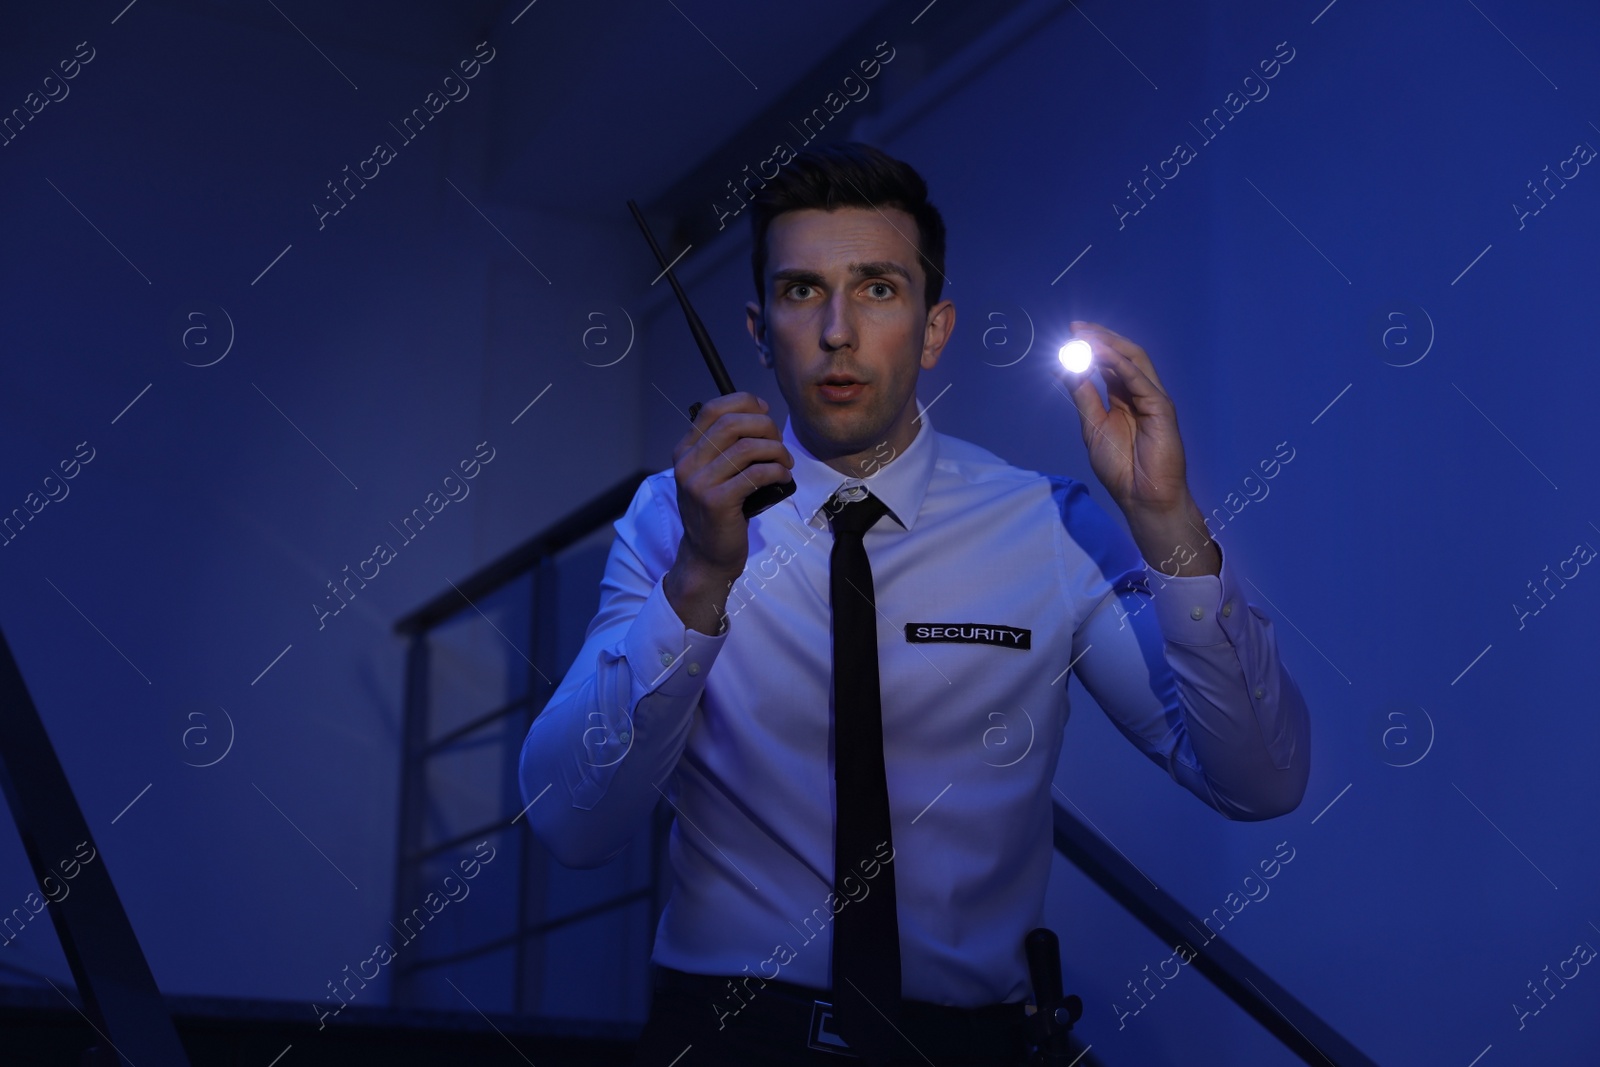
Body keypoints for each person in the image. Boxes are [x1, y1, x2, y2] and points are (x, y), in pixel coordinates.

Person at [518, 142, 1310, 1066]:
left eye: (879, 289)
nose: (838, 332)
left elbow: (1261, 781)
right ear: (759, 326)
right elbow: (571, 825)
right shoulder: (674, 515)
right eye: (803, 291)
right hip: (730, 1038)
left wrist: (1168, 522)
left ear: (935, 330)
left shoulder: (1047, 523)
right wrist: (699, 576)